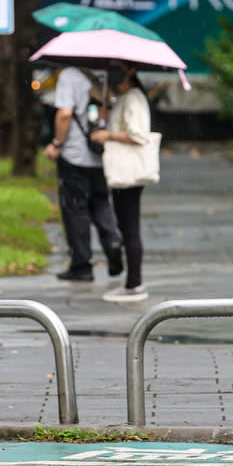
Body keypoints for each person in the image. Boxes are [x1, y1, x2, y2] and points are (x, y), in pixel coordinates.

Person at [44, 66, 123, 282]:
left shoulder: (69, 75)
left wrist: (56, 143)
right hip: (99, 153)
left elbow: (65, 113)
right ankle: (113, 241)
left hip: (75, 155)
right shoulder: (105, 73)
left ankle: (81, 265)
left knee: (75, 209)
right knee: (101, 202)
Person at [91, 60, 152, 303]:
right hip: (120, 173)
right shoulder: (124, 98)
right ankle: (131, 282)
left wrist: (108, 134)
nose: (112, 72)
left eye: (118, 67)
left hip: (129, 174)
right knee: (126, 226)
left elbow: (139, 134)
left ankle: (135, 283)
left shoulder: (134, 98)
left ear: (131, 71)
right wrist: (105, 120)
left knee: (130, 227)